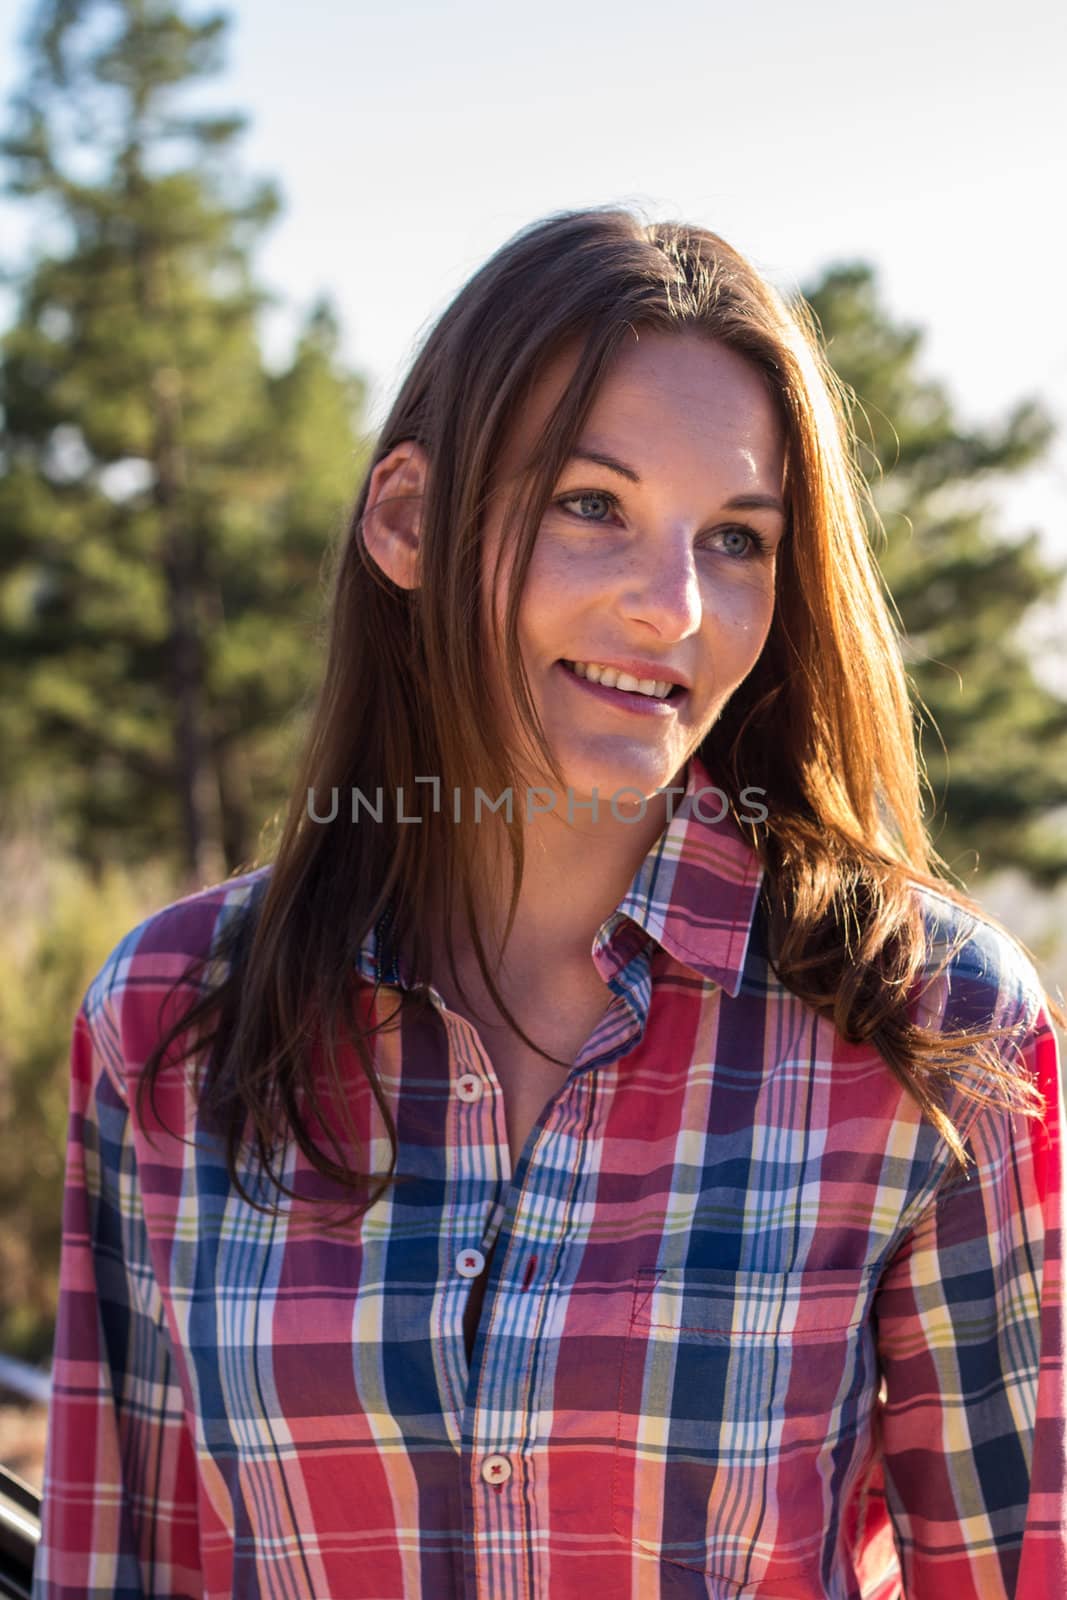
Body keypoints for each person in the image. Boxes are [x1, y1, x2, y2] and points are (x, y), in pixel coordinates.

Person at [33, 208, 1065, 1600]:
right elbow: (120, 1569)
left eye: (740, 540)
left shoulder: (927, 1024)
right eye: (595, 506)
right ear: (407, 520)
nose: (675, 608)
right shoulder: (173, 1020)